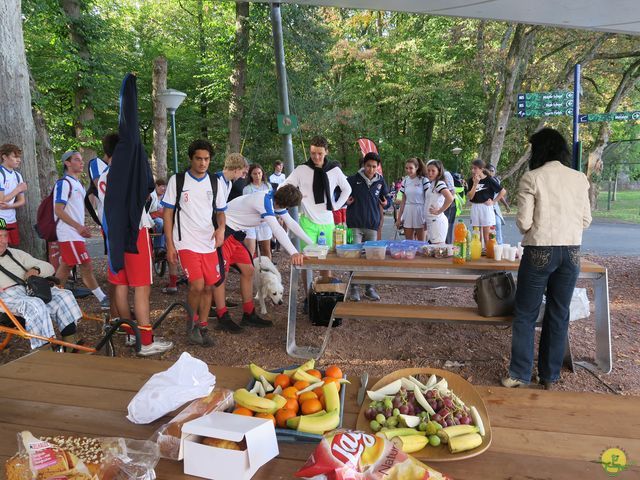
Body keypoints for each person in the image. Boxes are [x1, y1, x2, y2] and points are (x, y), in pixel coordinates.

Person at [502, 128, 592, 389]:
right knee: (559, 312)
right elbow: (586, 220)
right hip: (572, 251)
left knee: (526, 314)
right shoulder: (579, 178)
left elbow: (523, 222)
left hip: (540, 250)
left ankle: (519, 373)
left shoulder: (532, 178)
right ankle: (549, 375)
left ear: (538, 150)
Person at [98, 134, 173, 357]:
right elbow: (147, 194)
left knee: (120, 284)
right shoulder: (127, 173)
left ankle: (131, 332)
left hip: (113, 234)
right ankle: (146, 341)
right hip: (134, 232)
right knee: (141, 287)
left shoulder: (103, 175)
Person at [162, 140, 228, 346]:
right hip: (185, 241)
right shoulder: (178, 180)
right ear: (191, 159)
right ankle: (191, 325)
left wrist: (221, 228)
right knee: (197, 285)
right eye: (198, 158)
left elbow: (221, 211)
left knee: (209, 286)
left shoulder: (216, 183)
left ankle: (203, 326)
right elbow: (168, 213)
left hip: (208, 242)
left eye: (206, 159)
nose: (202, 163)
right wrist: (170, 244)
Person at [280, 136, 351, 313]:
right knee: (307, 261)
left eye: (319, 153)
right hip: (307, 222)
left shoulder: (334, 169)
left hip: (327, 222)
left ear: (326, 152)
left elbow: (347, 189)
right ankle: (309, 297)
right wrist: (296, 194)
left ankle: (326, 294)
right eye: (313, 153)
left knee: (326, 261)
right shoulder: (301, 169)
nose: (316, 157)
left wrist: (336, 205)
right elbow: (284, 185)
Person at [221, 185, 311, 322]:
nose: (286, 210)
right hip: (224, 230)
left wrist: (312, 243)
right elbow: (276, 229)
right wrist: (294, 253)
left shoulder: (275, 200)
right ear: (284, 204)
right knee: (221, 275)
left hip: (236, 234)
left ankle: (248, 314)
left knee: (248, 270)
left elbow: (292, 223)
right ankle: (221, 314)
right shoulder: (264, 200)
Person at [0, 219, 82, 350]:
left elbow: (48, 267)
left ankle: (71, 345)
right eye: (0, 236)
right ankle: (44, 352)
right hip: (5, 298)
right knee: (35, 304)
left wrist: (36, 270)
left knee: (64, 295)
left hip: (28, 290)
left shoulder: (16, 254)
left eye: (5, 235)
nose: (4, 241)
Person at [54, 151, 109, 309]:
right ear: (67, 163)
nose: (81, 162)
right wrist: (78, 227)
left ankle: (52, 296)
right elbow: (58, 210)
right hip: (69, 234)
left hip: (74, 234)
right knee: (85, 264)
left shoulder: (77, 183)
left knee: (66, 265)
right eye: (77, 160)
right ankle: (102, 298)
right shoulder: (64, 183)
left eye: (80, 159)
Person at [345, 152, 388, 302]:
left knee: (372, 257)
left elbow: (386, 198)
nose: (371, 169)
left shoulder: (381, 181)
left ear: (377, 167)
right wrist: (346, 201)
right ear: (364, 165)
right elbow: (339, 194)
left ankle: (370, 287)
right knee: (353, 256)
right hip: (354, 224)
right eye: (368, 165)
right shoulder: (352, 179)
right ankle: (354, 287)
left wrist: (385, 203)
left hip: (372, 225)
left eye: (374, 166)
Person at [466, 159, 506, 248]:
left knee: (486, 236)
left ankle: (488, 253)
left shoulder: (489, 180)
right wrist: (475, 184)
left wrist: (493, 201)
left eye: (475, 168)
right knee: (476, 235)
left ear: (482, 169)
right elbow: (470, 197)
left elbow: (502, 191)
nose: (473, 170)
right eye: (472, 168)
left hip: (486, 208)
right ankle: (478, 253)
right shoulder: (471, 180)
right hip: (475, 207)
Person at [242, 163, 273, 259]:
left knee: (266, 250)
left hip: (265, 222)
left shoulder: (268, 186)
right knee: (250, 251)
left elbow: (271, 203)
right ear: (250, 175)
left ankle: (268, 272)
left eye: (259, 173)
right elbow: (245, 207)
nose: (257, 176)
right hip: (251, 222)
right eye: (254, 174)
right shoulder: (247, 189)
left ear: (262, 173)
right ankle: (251, 272)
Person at [395, 157, 429, 241]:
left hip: (420, 212)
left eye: (411, 168)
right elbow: (403, 201)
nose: (408, 170)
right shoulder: (405, 181)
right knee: (408, 243)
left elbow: (429, 200)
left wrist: (427, 218)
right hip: (408, 211)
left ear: (417, 168)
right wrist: (399, 219)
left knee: (421, 244)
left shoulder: (424, 180)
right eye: (406, 168)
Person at [0, 144, 27, 247]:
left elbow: (22, 201)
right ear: (4, 157)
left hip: (12, 219)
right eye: (15, 157)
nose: (18, 160)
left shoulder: (17, 175)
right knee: (2, 248)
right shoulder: (0, 174)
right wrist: (18, 189)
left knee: (11, 249)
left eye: (19, 157)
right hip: (1, 219)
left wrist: (10, 206)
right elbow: (1, 200)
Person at [424, 160, 454, 245]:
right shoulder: (432, 184)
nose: (430, 173)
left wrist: (439, 211)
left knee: (439, 251)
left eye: (433, 171)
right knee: (435, 251)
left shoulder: (439, 184)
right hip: (431, 222)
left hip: (437, 222)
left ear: (439, 172)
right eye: (428, 170)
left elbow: (450, 198)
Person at [486, 164, 510, 244]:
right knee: (486, 229)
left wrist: (506, 205)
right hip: (485, 208)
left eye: (493, 171)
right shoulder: (482, 181)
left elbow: (500, 194)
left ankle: (499, 245)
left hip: (494, 209)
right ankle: (487, 247)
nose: (491, 172)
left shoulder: (496, 181)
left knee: (497, 224)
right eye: (489, 170)